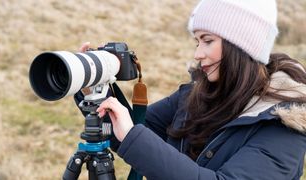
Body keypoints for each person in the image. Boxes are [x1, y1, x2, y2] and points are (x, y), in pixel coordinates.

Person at [80, 0, 306, 179]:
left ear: (241, 46)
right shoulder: (194, 96)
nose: (198, 54)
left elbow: (134, 136)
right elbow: (127, 131)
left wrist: (131, 135)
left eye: (207, 41)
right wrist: (93, 89)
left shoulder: (282, 126)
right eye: (197, 42)